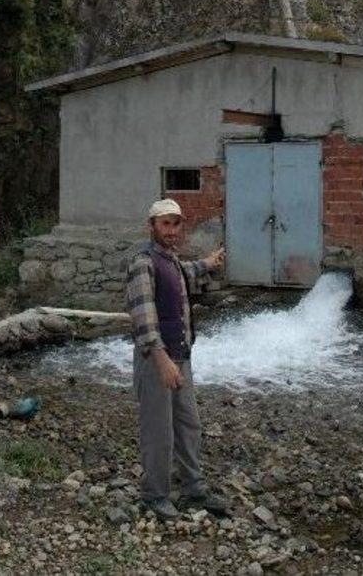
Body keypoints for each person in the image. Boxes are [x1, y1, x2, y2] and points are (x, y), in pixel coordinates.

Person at [126, 198, 228, 521]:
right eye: (165, 224)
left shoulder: (170, 260)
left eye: (176, 224)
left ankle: (193, 489)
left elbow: (186, 272)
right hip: (157, 361)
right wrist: (162, 360)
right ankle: (155, 496)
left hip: (180, 356)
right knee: (158, 430)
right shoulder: (143, 262)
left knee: (188, 423)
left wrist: (209, 263)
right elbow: (143, 317)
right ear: (152, 226)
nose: (171, 231)